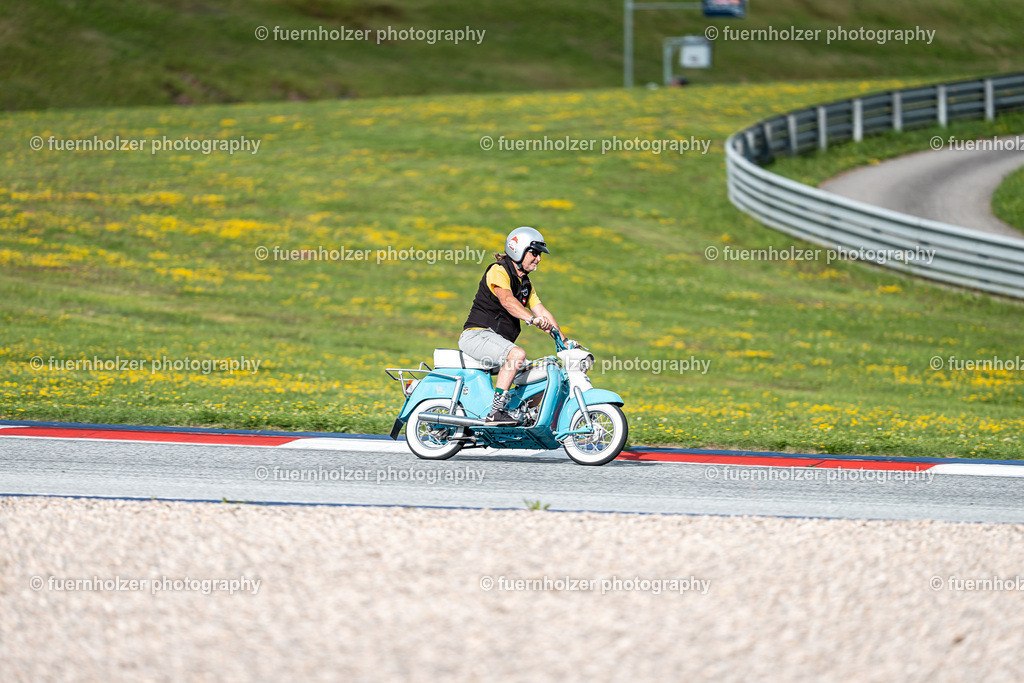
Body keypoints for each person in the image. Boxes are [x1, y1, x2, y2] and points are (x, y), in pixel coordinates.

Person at [459, 226, 566, 425]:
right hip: (476, 335)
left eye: (540, 254)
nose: (539, 258)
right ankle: (495, 412)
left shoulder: (526, 284)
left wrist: (563, 340)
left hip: (496, 341)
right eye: (534, 252)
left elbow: (542, 311)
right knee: (517, 354)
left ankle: (524, 417)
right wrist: (531, 319)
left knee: (544, 372)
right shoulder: (498, 271)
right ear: (518, 250)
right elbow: (507, 301)